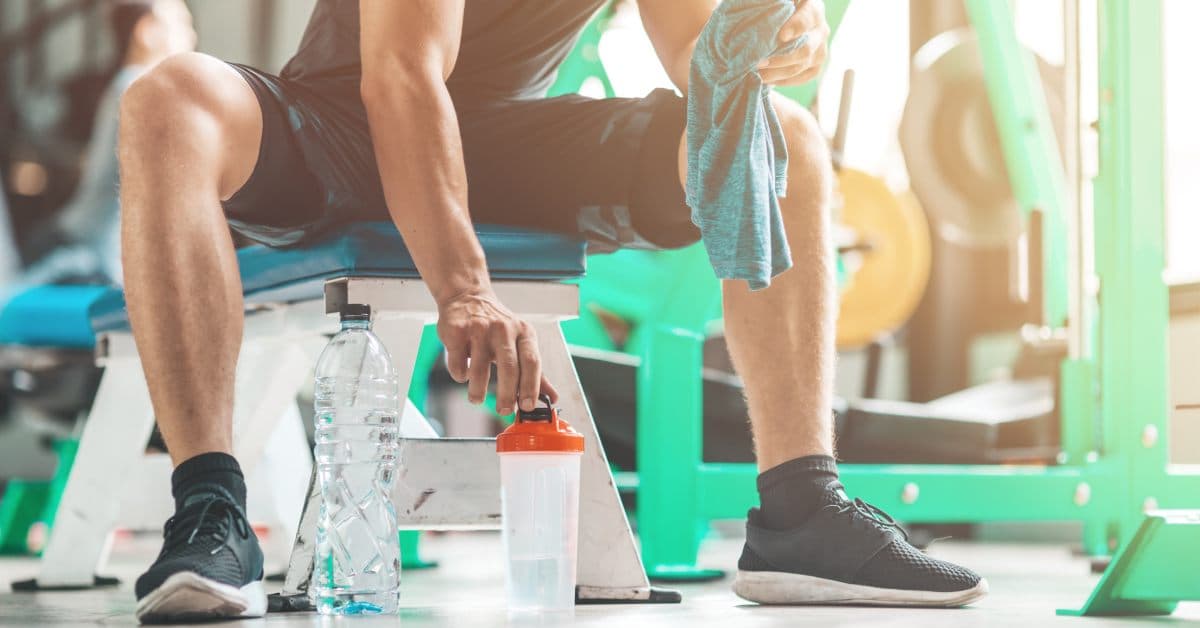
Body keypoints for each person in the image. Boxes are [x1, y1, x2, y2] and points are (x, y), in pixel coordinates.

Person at [118, 0, 987, 622]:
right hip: (335, 123)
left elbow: (697, 53)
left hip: (502, 135)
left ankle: (801, 507)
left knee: (780, 135)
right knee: (168, 99)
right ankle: (210, 509)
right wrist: (464, 285)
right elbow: (400, 73)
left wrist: (758, 44)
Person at [14, 0, 195, 288]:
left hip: (79, 244)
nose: (191, 36)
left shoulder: (125, 85)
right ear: (146, 31)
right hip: (86, 256)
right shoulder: (141, 90)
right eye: (182, 24)